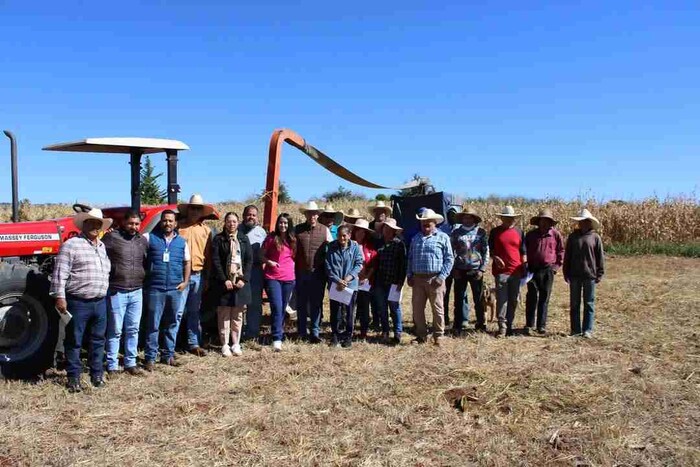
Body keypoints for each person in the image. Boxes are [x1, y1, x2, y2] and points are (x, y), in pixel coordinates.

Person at [50, 208, 112, 392]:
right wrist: (60, 297)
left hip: (100, 301)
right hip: (78, 302)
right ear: (84, 225)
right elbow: (60, 274)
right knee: (74, 341)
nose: (95, 226)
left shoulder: (102, 247)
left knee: (98, 340)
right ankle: (74, 377)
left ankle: (97, 374)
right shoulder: (71, 245)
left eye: (98, 224)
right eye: (91, 222)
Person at [102, 209, 148, 376]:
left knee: (133, 328)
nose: (133, 227)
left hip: (137, 291)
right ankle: (112, 364)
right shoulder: (112, 238)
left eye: (136, 224)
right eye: (130, 223)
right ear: (123, 223)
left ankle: (130, 362)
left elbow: (146, 261)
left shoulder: (142, 241)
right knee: (115, 330)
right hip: (117, 290)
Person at [144, 210, 191, 371]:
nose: (167, 223)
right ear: (160, 222)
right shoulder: (150, 238)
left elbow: (187, 262)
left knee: (171, 323)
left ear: (175, 223)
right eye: (165, 220)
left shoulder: (182, 242)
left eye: (171, 221)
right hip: (155, 289)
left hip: (174, 289)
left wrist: (185, 282)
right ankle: (150, 357)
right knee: (153, 324)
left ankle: (168, 355)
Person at [407, 208, 454, 345]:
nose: (426, 224)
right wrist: (409, 275)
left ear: (435, 223)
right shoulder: (416, 238)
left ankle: (439, 335)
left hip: (435, 278)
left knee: (437, 308)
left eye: (429, 222)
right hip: (418, 279)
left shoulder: (443, 237)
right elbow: (410, 258)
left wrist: (442, 276)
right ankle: (421, 335)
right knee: (417, 309)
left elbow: (449, 259)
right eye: (423, 222)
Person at [176, 194, 214, 356]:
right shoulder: (178, 228)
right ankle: (172, 345)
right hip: (179, 275)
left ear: (201, 212)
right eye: (193, 208)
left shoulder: (206, 231)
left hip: (198, 275)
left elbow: (209, 256)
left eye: (198, 208)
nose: (195, 211)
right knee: (177, 312)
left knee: (194, 311)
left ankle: (193, 343)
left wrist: (208, 277)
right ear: (188, 209)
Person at [211, 212, 253, 356]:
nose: (232, 224)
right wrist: (224, 279)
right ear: (225, 222)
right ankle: (224, 344)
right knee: (224, 315)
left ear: (238, 222)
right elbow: (215, 261)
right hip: (224, 283)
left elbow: (249, 261)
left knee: (238, 315)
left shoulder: (243, 239)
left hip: (239, 283)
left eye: (234, 221)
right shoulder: (218, 239)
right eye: (229, 221)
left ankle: (236, 343)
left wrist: (244, 279)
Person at [564, 209, 605, 338]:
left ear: (590, 223)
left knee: (589, 303)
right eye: (581, 222)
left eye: (586, 222)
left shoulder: (595, 237)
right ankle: (575, 330)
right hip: (575, 275)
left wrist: (600, 273)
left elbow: (600, 256)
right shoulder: (572, 237)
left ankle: (587, 330)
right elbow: (567, 256)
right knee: (574, 304)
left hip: (589, 275)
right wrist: (566, 272)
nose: (583, 224)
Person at [294, 201, 332, 343]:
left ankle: (315, 332)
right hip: (301, 271)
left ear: (318, 215)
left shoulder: (324, 230)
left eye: (314, 213)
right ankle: (302, 332)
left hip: (318, 272)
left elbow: (333, 247)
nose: (312, 216)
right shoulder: (297, 230)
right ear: (305, 214)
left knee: (316, 303)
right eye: (309, 213)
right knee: (302, 303)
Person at [488, 206, 527, 338]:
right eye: (506, 218)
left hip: (516, 270)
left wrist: (524, 266)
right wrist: (496, 258)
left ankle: (509, 325)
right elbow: (490, 249)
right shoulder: (495, 232)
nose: (509, 220)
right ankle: (502, 327)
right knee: (501, 300)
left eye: (511, 218)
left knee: (513, 299)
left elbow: (523, 251)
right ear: (502, 218)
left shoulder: (519, 232)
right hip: (501, 271)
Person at [524, 208, 565, 335]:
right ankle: (529, 324)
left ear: (551, 222)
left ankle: (541, 325)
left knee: (544, 298)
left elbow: (561, 251)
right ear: (539, 221)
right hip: (532, 270)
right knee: (531, 297)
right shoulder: (531, 235)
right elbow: (524, 250)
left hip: (548, 270)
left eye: (547, 220)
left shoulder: (555, 235)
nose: (544, 223)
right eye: (542, 220)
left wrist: (556, 267)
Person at [450, 206, 489, 333]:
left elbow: (485, 251)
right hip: (460, 269)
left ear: (474, 219)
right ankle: (458, 324)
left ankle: (480, 323)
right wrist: (454, 268)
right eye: (465, 217)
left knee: (479, 299)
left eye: (470, 217)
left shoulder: (481, 232)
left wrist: (482, 269)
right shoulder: (456, 233)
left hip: (476, 270)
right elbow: (451, 251)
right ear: (462, 219)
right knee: (459, 298)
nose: (467, 219)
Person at [261, 213, 296, 352]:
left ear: (289, 225)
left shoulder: (293, 240)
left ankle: (279, 333)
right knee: (276, 306)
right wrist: (269, 262)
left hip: (289, 278)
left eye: (286, 223)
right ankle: (276, 338)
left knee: (282, 308)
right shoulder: (271, 238)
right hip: (272, 277)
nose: (283, 225)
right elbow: (260, 255)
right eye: (281, 222)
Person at [325, 225, 364, 348]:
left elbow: (359, 264)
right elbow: (328, 266)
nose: (341, 238)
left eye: (344, 235)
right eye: (339, 235)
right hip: (336, 284)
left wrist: (348, 278)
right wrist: (337, 280)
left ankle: (348, 335)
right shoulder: (331, 247)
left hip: (350, 285)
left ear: (349, 235)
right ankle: (335, 334)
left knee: (349, 312)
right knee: (335, 311)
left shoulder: (355, 247)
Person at [374, 218, 407, 345]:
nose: (387, 230)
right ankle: (385, 331)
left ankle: (398, 332)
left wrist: (400, 281)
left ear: (394, 231)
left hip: (394, 281)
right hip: (379, 281)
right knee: (382, 308)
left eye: (389, 228)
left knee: (395, 307)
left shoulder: (399, 244)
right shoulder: (378, 244)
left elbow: (403, 264)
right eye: (385, 228)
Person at [239, 204, 267, 341]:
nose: (251, 217)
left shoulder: (261, 232)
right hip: (239, 271)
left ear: (257, 217)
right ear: (244, 215)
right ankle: (237, 332)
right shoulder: (236, 229)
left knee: (254, 302)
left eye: (254, 215)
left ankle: (252, 332)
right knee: (238, 302)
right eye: (249, 214)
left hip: (256, 271)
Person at [351, 218, 378, 340]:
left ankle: (363, 331)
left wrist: (366, 277)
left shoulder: (369, 247)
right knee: (350, 307)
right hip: (351, 281)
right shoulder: (349, 245)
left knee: (364, 307)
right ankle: (348, 330)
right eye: (358, 231)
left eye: (363, 232)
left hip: (365, 283)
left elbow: (373, 264)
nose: (360, 234)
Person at [440, 205, 461, 327]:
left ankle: (460, 319)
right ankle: (445, 318)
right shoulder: (442, 229)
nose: (451, 216)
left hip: (459, 266)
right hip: (446, 266)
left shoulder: (461, 229)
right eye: (449, 214)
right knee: (444, 294)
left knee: (459, 295)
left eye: (454, 214)